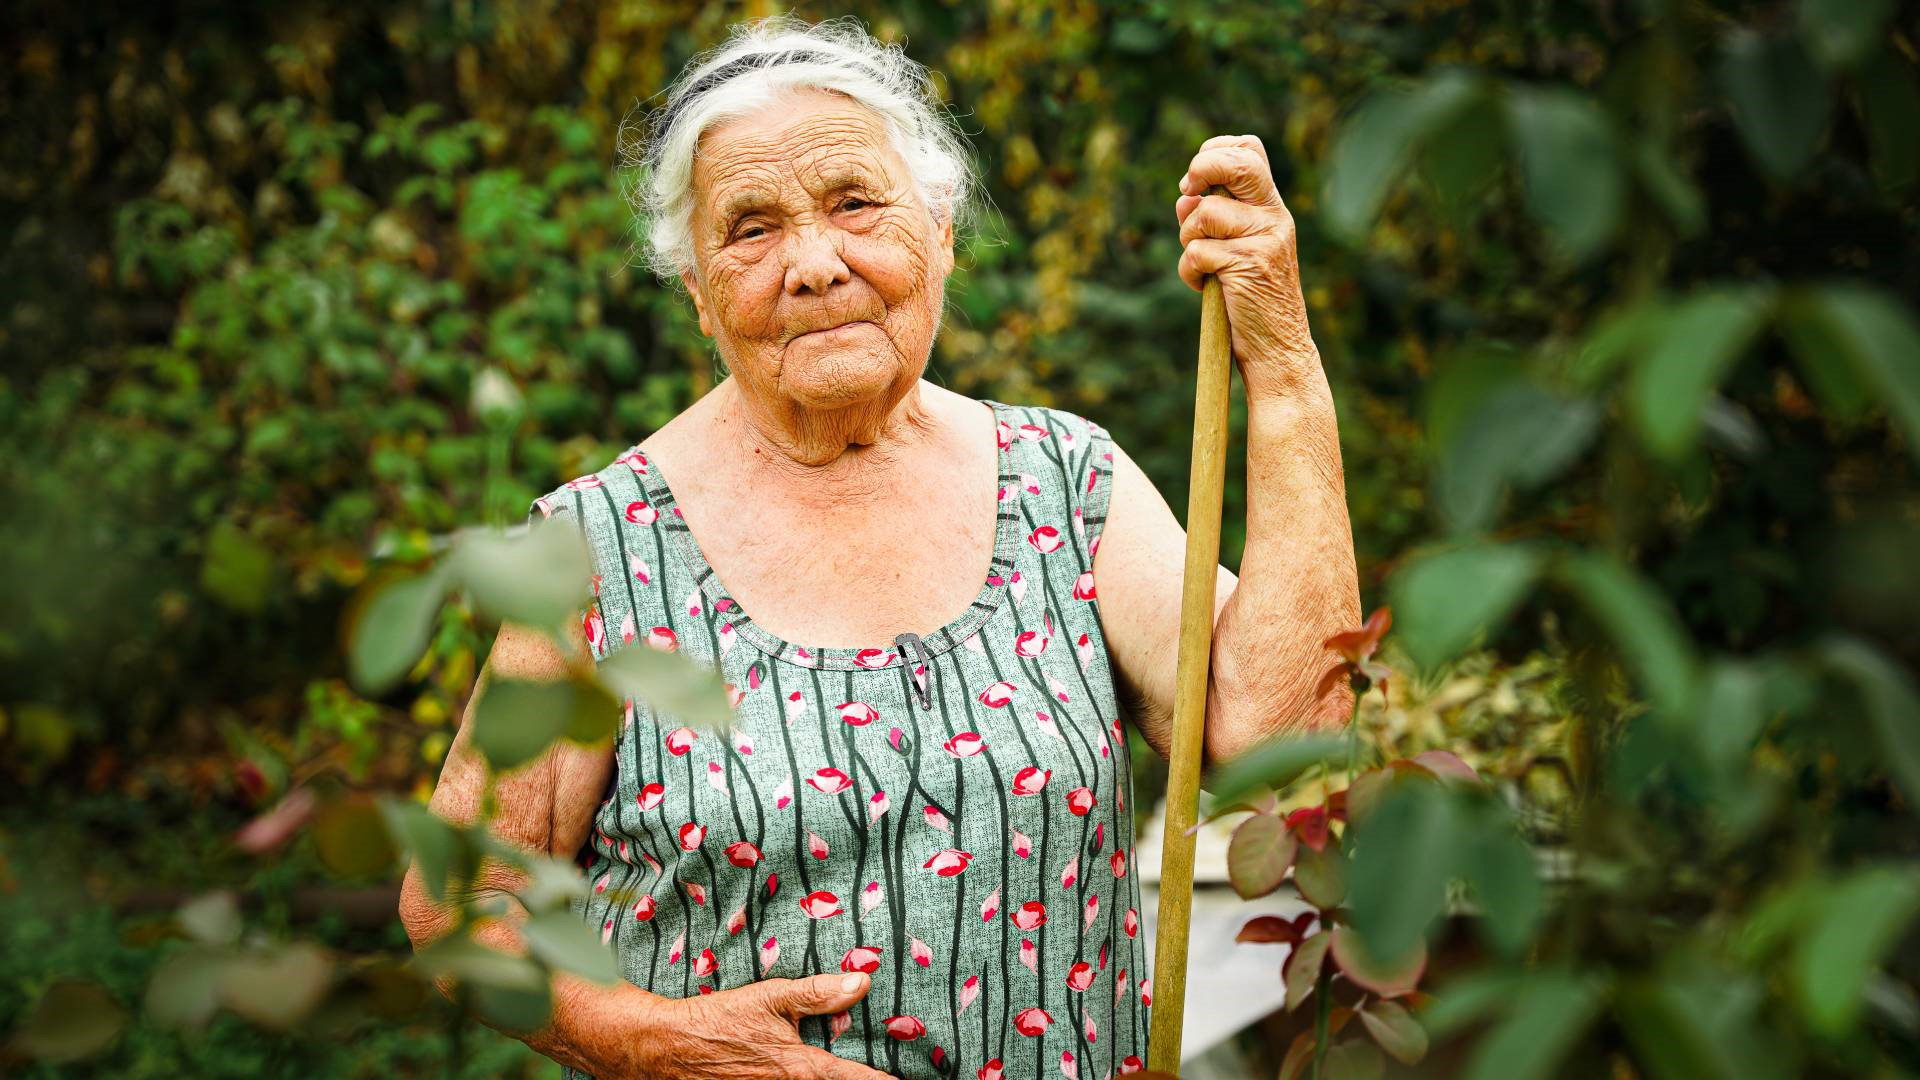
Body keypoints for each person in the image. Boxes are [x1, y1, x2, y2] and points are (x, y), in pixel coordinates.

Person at [399, 13, 1359, 1080]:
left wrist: (1279, 350)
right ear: (697, 293)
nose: (814, 263)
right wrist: (657, 1043)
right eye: (751, 228)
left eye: (856, 204)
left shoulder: (1065, 482)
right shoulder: (599, 549)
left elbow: (1288, 740)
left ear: (941, 229)